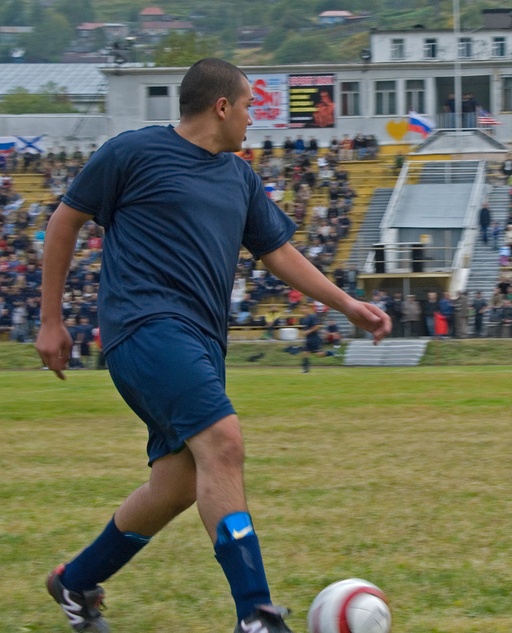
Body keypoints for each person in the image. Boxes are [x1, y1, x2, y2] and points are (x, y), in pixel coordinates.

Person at [35, 58, 391, 633]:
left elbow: (279, 253)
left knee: (176, 485)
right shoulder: (132, 152)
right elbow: (64, 222)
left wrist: (346, 304)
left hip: (200, 343)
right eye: (249, 105)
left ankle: (74, 582)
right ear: (221, 107)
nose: (254, 119)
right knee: (223, 443)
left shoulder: (240, 177)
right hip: (144, 329)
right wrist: (51, 321)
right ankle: (256, 615)